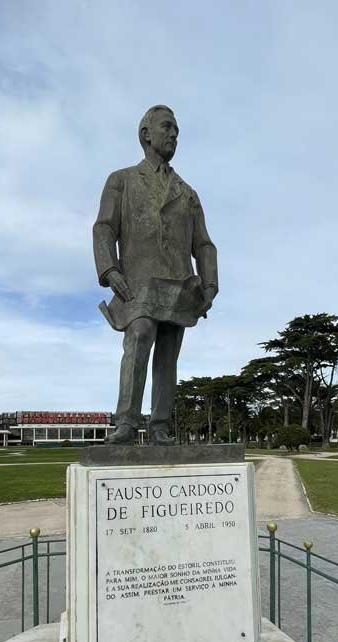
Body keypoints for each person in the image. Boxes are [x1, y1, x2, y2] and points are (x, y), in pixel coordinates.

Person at [93, 105, 218, 445]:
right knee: (140, 332)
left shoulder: (187, 193)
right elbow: (105, 228)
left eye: (177, 130)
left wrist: (210, 284)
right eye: (167, 127)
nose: (174, 134)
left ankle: (161, 426)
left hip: (179, 285)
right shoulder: (122, 180)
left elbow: (204, 244)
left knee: (167, 352)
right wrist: (109, 268)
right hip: (138, 282)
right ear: (146, 134)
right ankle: (127, 423)